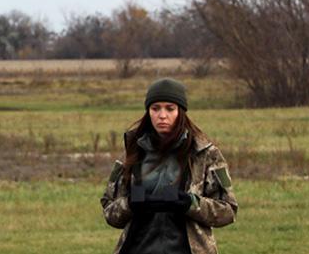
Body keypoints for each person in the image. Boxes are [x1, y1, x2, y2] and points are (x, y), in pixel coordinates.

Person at [100, 78, 237, 254]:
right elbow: (109, 211)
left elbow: (228, 210)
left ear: (181, 112)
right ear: (148, 111)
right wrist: (130, 205)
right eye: (155, 108)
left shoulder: (205, 154)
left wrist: (191, 204)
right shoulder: (133, 151)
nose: (162, 115)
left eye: (170, 109)